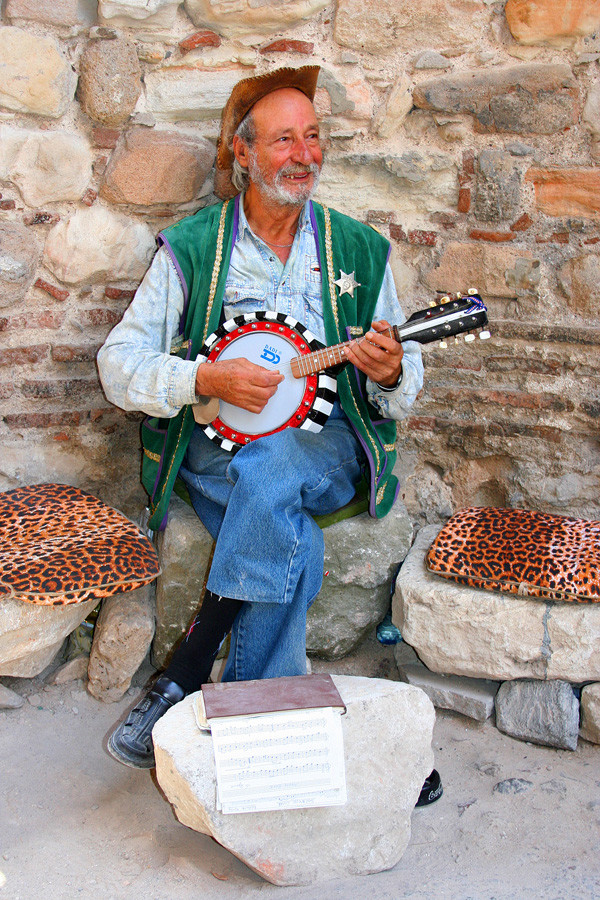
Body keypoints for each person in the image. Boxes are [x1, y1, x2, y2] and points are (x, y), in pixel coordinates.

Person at [97, 65, 424, 770]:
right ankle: (261, 733)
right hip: (220, 447)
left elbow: (408, 376)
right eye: (283, 139)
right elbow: (117, 365)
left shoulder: (358, 250)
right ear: (241, 153)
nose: (304, 154)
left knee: (276, 466)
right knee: (289, 533)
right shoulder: (193, 248)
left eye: (313, 137)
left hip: (326, 445)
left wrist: (391, 372)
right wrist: (203, 377)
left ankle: (186, 670)